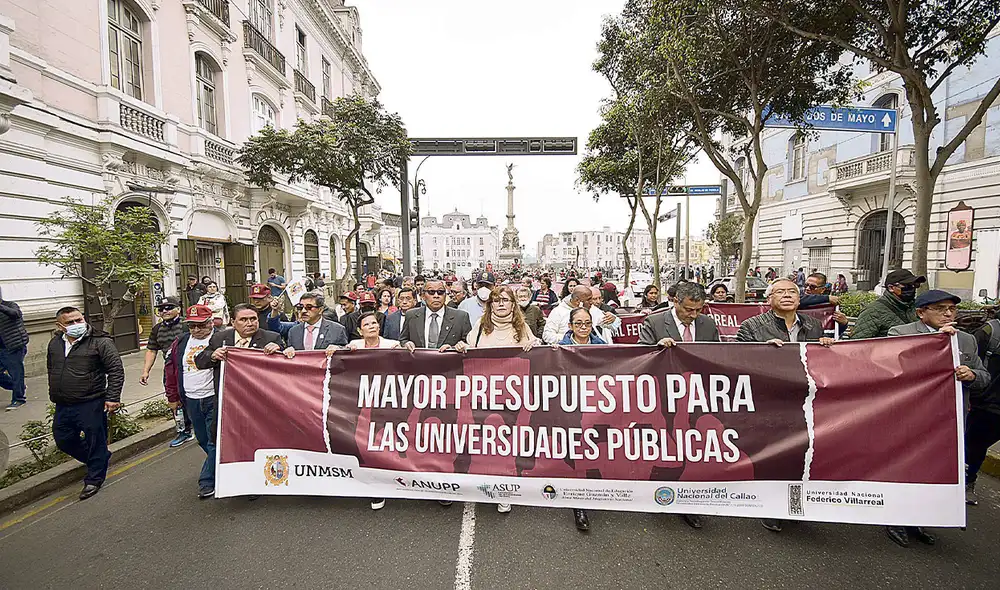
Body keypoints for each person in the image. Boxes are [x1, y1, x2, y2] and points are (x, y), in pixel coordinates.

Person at [887, 291, 990, 545]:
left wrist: (972, 375)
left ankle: (918, 520)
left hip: (947, 421)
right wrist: (935, 343)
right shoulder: (899, 333)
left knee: (932, 470)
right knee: (905, 467)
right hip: (910, 417)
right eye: (940, 308)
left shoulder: (966, 340)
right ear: (921, 313)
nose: (948, 313)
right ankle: (895, 518)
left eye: (952, 309)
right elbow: (891, 371)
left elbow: (984, 376)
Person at [735, 279, 834, 533]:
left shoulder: (813, 325)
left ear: (800, 299)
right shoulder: (752, 327)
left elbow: (819, 363)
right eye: (780, 292)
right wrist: (761, 352)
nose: (787, 295)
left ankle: (794, 505)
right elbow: (736, 361)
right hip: (768, 403)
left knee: (801, 455)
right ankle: (771, 508)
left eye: (792, 292)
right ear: (769, 299)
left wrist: (826, 348)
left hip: (803, 402)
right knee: (772, 456)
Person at [638, 282, 721, 530]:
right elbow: (639, 357)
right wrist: (657, 350)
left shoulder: (708, 324)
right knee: (666, 449)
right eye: (688, 309)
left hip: (697, 398)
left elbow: (718, 356)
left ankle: (688, 502)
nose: (693, 315)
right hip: (664, 399)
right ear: (676, 302)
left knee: (693, 450)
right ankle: (659, 494)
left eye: (698, 310)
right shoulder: (654, 322)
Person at [467, 285, 538, 514]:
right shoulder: (480, 326)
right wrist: (461, 347)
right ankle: (484, 484)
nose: (500, 304)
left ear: (513, 304)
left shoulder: (522, 327)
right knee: (484, 442)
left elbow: (537, 353)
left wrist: (536, 346)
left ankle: (503, 490)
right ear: (490, 305)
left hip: (512, 398)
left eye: (505, 300)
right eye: (496, 300)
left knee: (506, 444)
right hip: (483, 395)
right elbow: (469, 349)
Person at [47, 306, 124, 500]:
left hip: (91, 401)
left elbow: (115, 370)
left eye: (79, 320)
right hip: (63, 403)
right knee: (63, 439)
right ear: (60, 326)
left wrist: (113, 397)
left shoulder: (100, 341)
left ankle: (94, 479)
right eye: (70, 322)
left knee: (95, 440)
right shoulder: (55, 344)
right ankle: (99, 459)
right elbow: (52, 369)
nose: (76, 324)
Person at [553, 306, 605, 532]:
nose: (583, 327)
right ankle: (579, 505)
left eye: (587, 323)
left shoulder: (603, 347)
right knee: (576, 453)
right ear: (570, 326)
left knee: (597, 452)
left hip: (598, 408)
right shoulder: (559, 349)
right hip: (571, 409)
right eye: (578, 323)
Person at [163, 305, 218, 499]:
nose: (196, 330)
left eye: (200, 325)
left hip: (214, 397)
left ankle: (207, 480)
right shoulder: (181, 342)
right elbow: (170, 370)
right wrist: (172, 396)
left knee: (213, 441)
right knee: (202, 439)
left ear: (211, 323)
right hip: (191, 399)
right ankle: (221, 466)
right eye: (192, 325)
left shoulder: (221, 339)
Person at [139, 296, 194, 447]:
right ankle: (183, 431)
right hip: (170, 371)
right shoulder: (157, 329)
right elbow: (151, 350)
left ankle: (203, 427)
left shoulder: (186, 325)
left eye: (169, 308)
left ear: (178, 309)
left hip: (190, 369)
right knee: (174, 402)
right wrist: (146, 371)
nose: (164, 311)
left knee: (193, 400)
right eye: (161, 309)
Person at [195, 304, 284, 378]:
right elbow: (199, 362)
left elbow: (284, 366)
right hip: (229, 390)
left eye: (253, 319)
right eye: (243, 320)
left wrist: (278, 351)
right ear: (233, 322)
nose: (249, 324)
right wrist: (212, 356)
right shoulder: (219, 338)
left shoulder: (271, 338)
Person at [970, 314, 1000, 507]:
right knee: (974, 445)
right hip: (985, 403)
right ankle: (967, 480)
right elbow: (971, 363)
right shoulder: (989, 332)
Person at [401, 279, 473, 355]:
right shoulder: (411, 315)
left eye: (440, 292)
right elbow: (403, 339)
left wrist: (455, 348)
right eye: (431, 292)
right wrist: (406, 343)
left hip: (450, 361)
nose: (436, 296)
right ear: (423, 296)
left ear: (445, 295)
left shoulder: (461, 317)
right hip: (418, 361)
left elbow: (469, 344)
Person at [850, 269, 926, 339]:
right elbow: (858, 342)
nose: (912, 288)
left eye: (915, 285)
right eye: (907, 286)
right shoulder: (873, 311)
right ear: (891, 288)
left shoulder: (917, 307)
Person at [270, 293, 349, 354]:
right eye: (300, 307)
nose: (303, 311)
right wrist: (287, 350)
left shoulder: (337, 330)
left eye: (309, 307)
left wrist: (338, 349)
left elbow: (346, 354)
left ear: (320, 310)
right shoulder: (293, 331)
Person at [0, 288, 29, 410]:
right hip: (1, 349)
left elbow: (15, 314)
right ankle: (19, 387)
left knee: (16, 373)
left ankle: (18, 399)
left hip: (13, 346)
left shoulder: (10, 305)